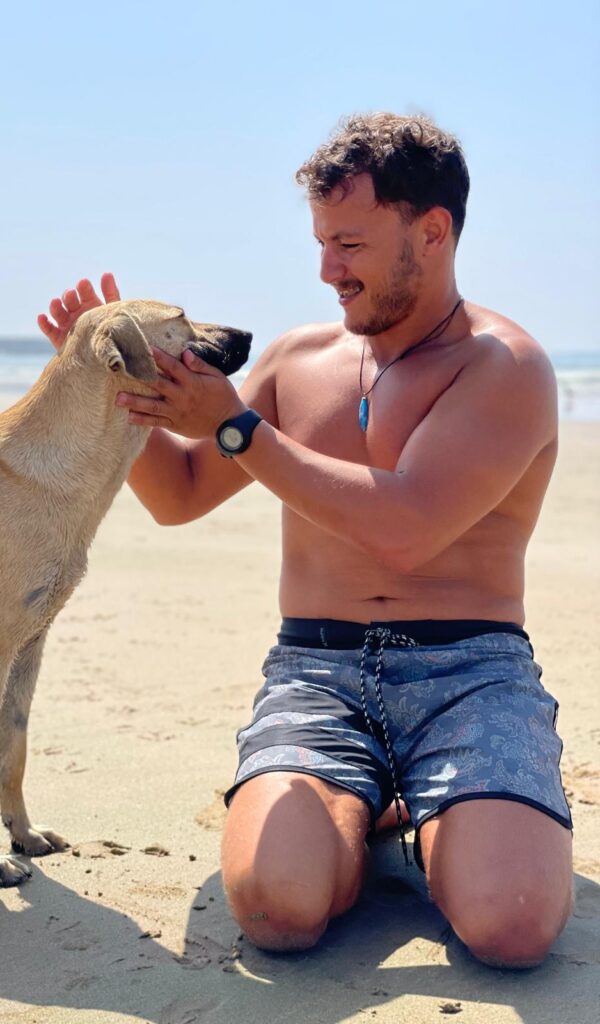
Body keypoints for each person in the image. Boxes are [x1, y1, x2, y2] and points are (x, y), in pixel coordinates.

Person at [39, 113, 573, 968]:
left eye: (350, 244)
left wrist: (242, 429)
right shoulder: (297, 361)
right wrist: (112, 391)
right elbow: (177, 497)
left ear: (432, 232)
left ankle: (427, 817)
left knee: (509, 927)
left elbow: (405, 528)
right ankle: (384, 812)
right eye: (322, 242)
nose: (327, 270)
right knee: (277, 911)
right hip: (316, 671)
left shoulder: (503, 367)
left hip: (470, 671)